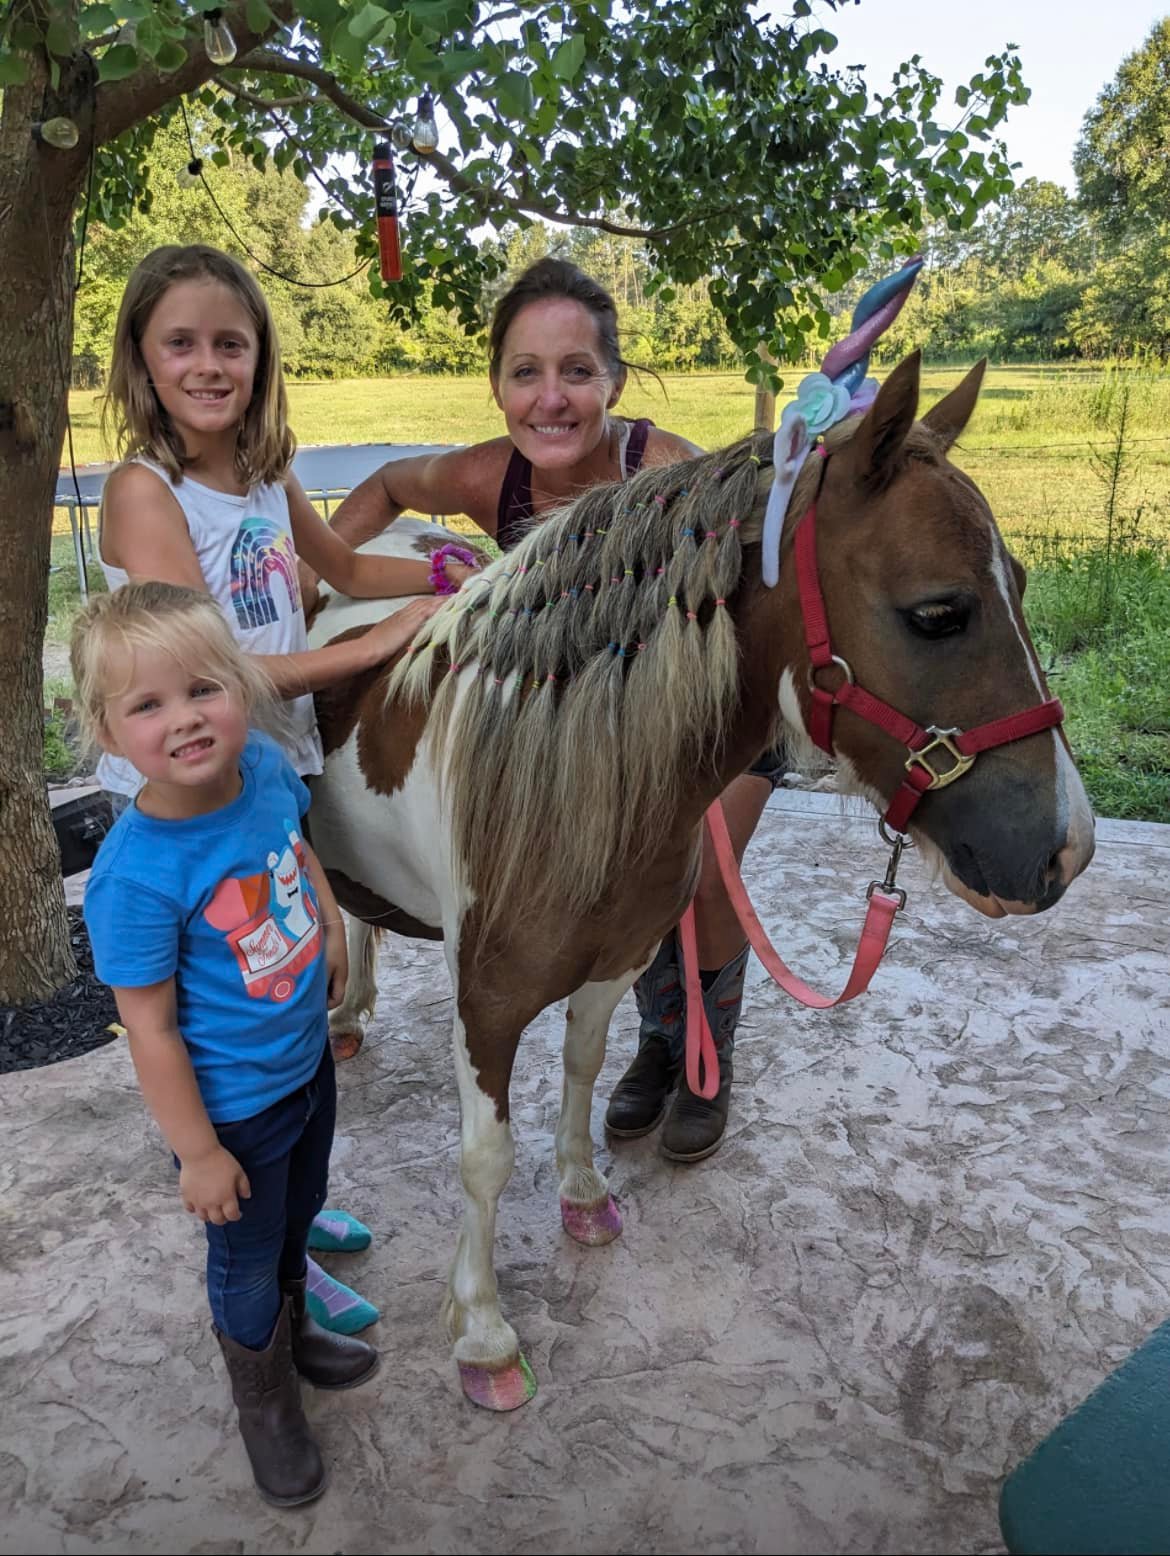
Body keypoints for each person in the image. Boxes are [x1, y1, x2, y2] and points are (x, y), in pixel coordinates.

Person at [322, 256, 785, 1164]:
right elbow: (382, 486)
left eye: (578, 371)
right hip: (591, 720)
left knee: (699, 884)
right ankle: (651, 1030)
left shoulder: (668, 471)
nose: (552, 398)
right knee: (609, 878)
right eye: (525, 372)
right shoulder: (490, 474)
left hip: (707, 717)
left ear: (614, 378)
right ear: (497, 385)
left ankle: (693, 1054)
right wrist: (322, 566)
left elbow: (759, 587)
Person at [95, 243, 455, 1337]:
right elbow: (215, 675)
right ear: (144, 361)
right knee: (222, 1020)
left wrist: (449, 572)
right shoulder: (142, 491)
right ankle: (255, 1232)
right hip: (192, 787)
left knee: (288, 992)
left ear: (260, 357)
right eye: (183, 343)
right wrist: (376, 647)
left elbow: (340, 573)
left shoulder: (261, 476)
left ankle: (294, 1205)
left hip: (269, 775)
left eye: (231, 344)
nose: (209, 365)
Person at [74, 581, 373, 1507]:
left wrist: (324, 920)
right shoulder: (136, 876)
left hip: (306, 1063)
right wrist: (199, 1154)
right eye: (148, 705)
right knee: (241, 1258)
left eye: (206, 688)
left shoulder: (269, 774)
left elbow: (295, 846)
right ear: (105, 728)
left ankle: (296, 1327)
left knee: (298, 1210)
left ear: (243, 686)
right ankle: (265, 1400)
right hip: (231, 1108)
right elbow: (150, 1028)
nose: (187, 720)